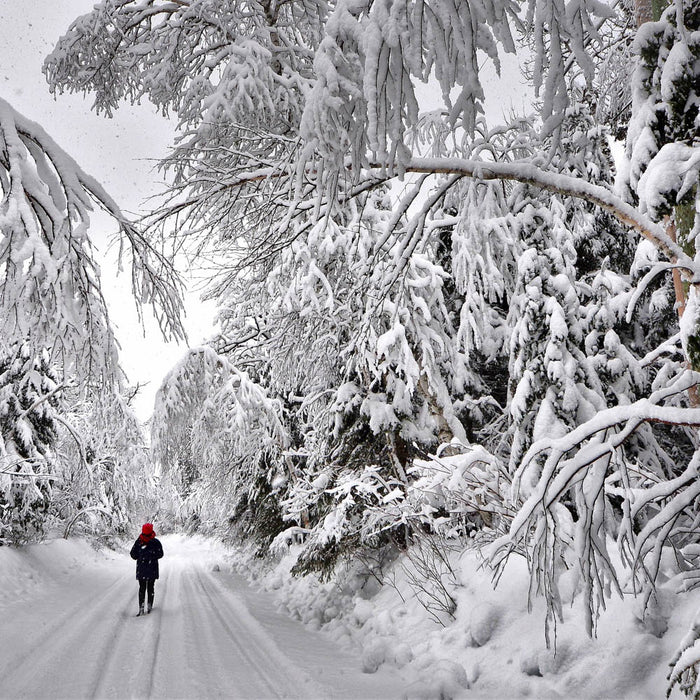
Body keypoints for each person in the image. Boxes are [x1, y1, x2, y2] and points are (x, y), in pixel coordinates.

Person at [130, 523, 164, 616]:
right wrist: (152, 556)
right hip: (152, 569)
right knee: (150, 588)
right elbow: (161, 554)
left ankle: (141, 608)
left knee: (142, 588)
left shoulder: (139, 541)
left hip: (141, 569)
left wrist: (141, 557)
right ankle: (149, 606)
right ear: (151, 530)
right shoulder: (156, 542)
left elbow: (133, 554)